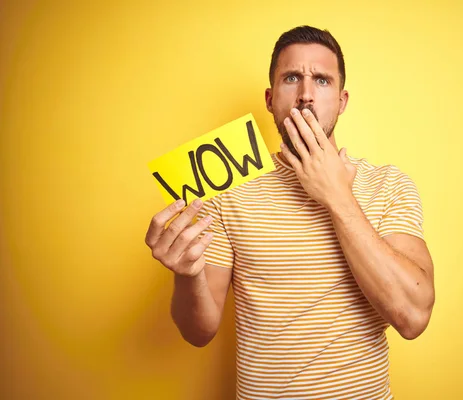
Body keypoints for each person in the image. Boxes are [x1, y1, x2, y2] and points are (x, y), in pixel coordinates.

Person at [145, 25, 435, 400]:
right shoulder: (226, 192)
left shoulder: (388, 184)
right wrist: (186, 275)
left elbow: (413, 317)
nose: (306, 95)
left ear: (343, 100)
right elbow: (197, 332)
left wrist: (336, 196)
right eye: (292, 78)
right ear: (270, 98)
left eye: (323, 80)